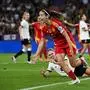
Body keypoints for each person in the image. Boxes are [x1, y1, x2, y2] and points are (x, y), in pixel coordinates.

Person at [32, 9, 88, 84]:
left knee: (73, 64)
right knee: (60, 62)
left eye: (42, 15)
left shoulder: (56, 23)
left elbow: (66, 35)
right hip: (58, 44)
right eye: (39, 15)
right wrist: (36, 55)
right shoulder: (44, 28)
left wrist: (71, 47)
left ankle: (81, 61)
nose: (40, 17)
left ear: (47, 16)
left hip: (68, 42)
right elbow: (42, 42)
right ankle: (75, 79)